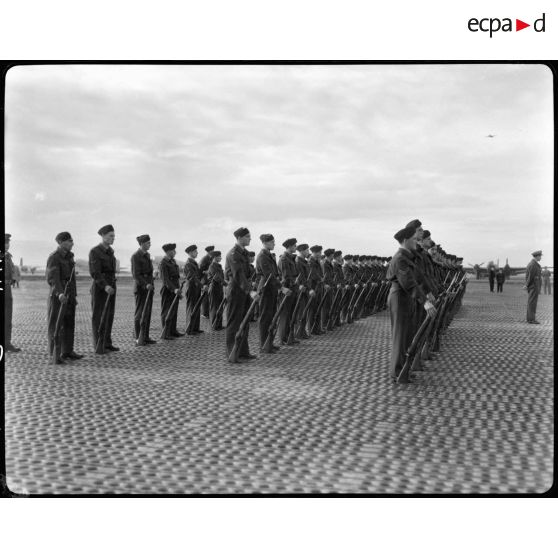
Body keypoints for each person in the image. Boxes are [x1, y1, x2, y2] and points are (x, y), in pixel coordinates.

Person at [387, 225, 437, 384]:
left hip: (406, 297)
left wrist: (427, 293)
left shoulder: (407, 257)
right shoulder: (400, 258)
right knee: (400, 336)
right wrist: (425, 302)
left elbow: (419, 277)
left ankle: (402, 369)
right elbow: (408, 283)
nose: (417, 242)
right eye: (414, 239)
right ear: (405, 240)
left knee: (407, 335)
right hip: (399, 297)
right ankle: (397, 372)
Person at [46, 231, 83, 363]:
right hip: (58, 296)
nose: (72, 243)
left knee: (69, 323)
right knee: (56, 325)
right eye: (69, 241)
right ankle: (55, 355)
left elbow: (71, 279)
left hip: (69, 295)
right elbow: (53, 278)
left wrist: (73, 296)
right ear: (61, 242)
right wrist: (60, 293)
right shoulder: (54, 257)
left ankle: (67, 351)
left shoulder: (70, 257)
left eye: (72, 241)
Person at [224, 227, 260, 361]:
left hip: (244, 292)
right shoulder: (233, 254)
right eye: (247, 236)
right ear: (239, 238)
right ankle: (232, 353)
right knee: (234, 323)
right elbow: (238, 275)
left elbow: (247, 274)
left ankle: (243, 351)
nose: (250, 239)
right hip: (236, 292)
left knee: (245, 322)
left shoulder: (243, 253)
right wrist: (250, 290)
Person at [89, 224, 119, 352]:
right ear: (103, 236)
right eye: (110, 236)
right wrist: (105, 285)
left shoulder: (110, 252)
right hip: (100, 288)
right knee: (99, 316)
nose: (113, 238)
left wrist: (110, 285)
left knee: (109, 315)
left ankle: (107, 342)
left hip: (111, 286)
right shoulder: (95, 251)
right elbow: (95, 272)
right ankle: (98, 345)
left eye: (114, 236)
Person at [256, 234, 286, 352]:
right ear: (265, 243)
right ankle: (264, 345)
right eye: (272, 242)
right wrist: (281, 288)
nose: (274, 244)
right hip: (265, 289)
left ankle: (269, 342)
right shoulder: (262, 256)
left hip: (271, 289)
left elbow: (274, 275)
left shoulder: (269, 255)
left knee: (271, 317)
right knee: (265, 318)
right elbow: (269, 275)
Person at [131, 234, 156, 345]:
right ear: (141, 244)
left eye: (149, 242)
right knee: (140, 313)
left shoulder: (147, 255)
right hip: (141, 288)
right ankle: (137, 336)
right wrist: (145, 284)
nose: (149, 244)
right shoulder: (136, 256)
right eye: (147, 243)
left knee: (147, 313)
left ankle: (145, 336)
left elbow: (148, 272)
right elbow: (136, 274)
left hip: (149, 287)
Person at [159, 243, 184, 338]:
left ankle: (173, 331)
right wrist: (174, 289)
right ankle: (166, 332)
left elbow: (175, 278)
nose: (175, 252)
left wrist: (177, 290)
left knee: (173, 311)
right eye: (174, 251)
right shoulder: (163, 263)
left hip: (175, 290)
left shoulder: (172, 261)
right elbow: (165, 279)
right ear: (169, 251)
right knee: (166, 312)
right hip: (168, 290)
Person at [277, 238, 299, 344]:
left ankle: (289, 336)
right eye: (294, 246)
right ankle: (283, 338)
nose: (295, 247)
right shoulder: (284, 259)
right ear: (289, 246)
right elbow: (286, 276)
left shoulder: (291, 258)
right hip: (287, 289)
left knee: (291, 314)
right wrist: (294, 281)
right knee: (285, 315)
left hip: (292, 289)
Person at [3, 234, 21, 352]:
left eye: (8, 242)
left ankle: (7, 342)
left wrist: (14, 278)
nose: (7, 244)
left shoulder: (8, 257)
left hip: (8, 288)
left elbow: (13, 270)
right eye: (5, 242)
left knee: (7, 317)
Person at [184, 244, 206, 335]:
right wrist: (202, 285)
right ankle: (189, 328)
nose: (197, 253)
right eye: (195, 251)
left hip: (196, 287)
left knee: (196, 307)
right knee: (191, 307)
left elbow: (198, 275)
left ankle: (195, 328)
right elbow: (193, 277)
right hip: (191, 287)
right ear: (190, 253)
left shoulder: (193, 263)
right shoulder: (188, 264)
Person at [294, 243, 311, 339]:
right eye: (307, 250)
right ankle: (299, 332)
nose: (308, 252)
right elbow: (300, 276)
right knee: (300, 312)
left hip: (305, 289)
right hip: (301, 289)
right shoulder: (298, 261)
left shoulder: (303, 261)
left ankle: (302, 331)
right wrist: (303, 286)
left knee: (304, 311)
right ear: (301, 251)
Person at [207, 251, 225, 330]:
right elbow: (217, 277)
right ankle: (214, 325)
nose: (220, 258)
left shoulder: (219, 266)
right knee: (214, 307)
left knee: (219, 306)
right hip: (214, 288)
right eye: (219, 256)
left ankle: (219, 324)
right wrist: (225, 283)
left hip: (219, 287)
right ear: (215, 257)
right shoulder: (212, 266)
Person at [525, 250, 542, 324]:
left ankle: (530, 319)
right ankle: (531, 319)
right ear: (537, 256)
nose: (541, 257)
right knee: (532, 303)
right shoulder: (533, 264)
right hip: (534, 286)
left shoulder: (533, 264)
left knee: (532, 302)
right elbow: (530, 276)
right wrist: (526, 285)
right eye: (540, 256)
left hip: (534, 286)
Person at [199, 245, 214, 319]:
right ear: (209, 251)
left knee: (209, 296)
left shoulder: (211, 258)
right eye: (212, 250)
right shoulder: (204, 259)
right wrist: (207, 272)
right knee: (205, 297)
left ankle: (207, 312)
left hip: (209, 279)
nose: (213, 251)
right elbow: (200, 270)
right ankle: (204, 313)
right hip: (204, 280)